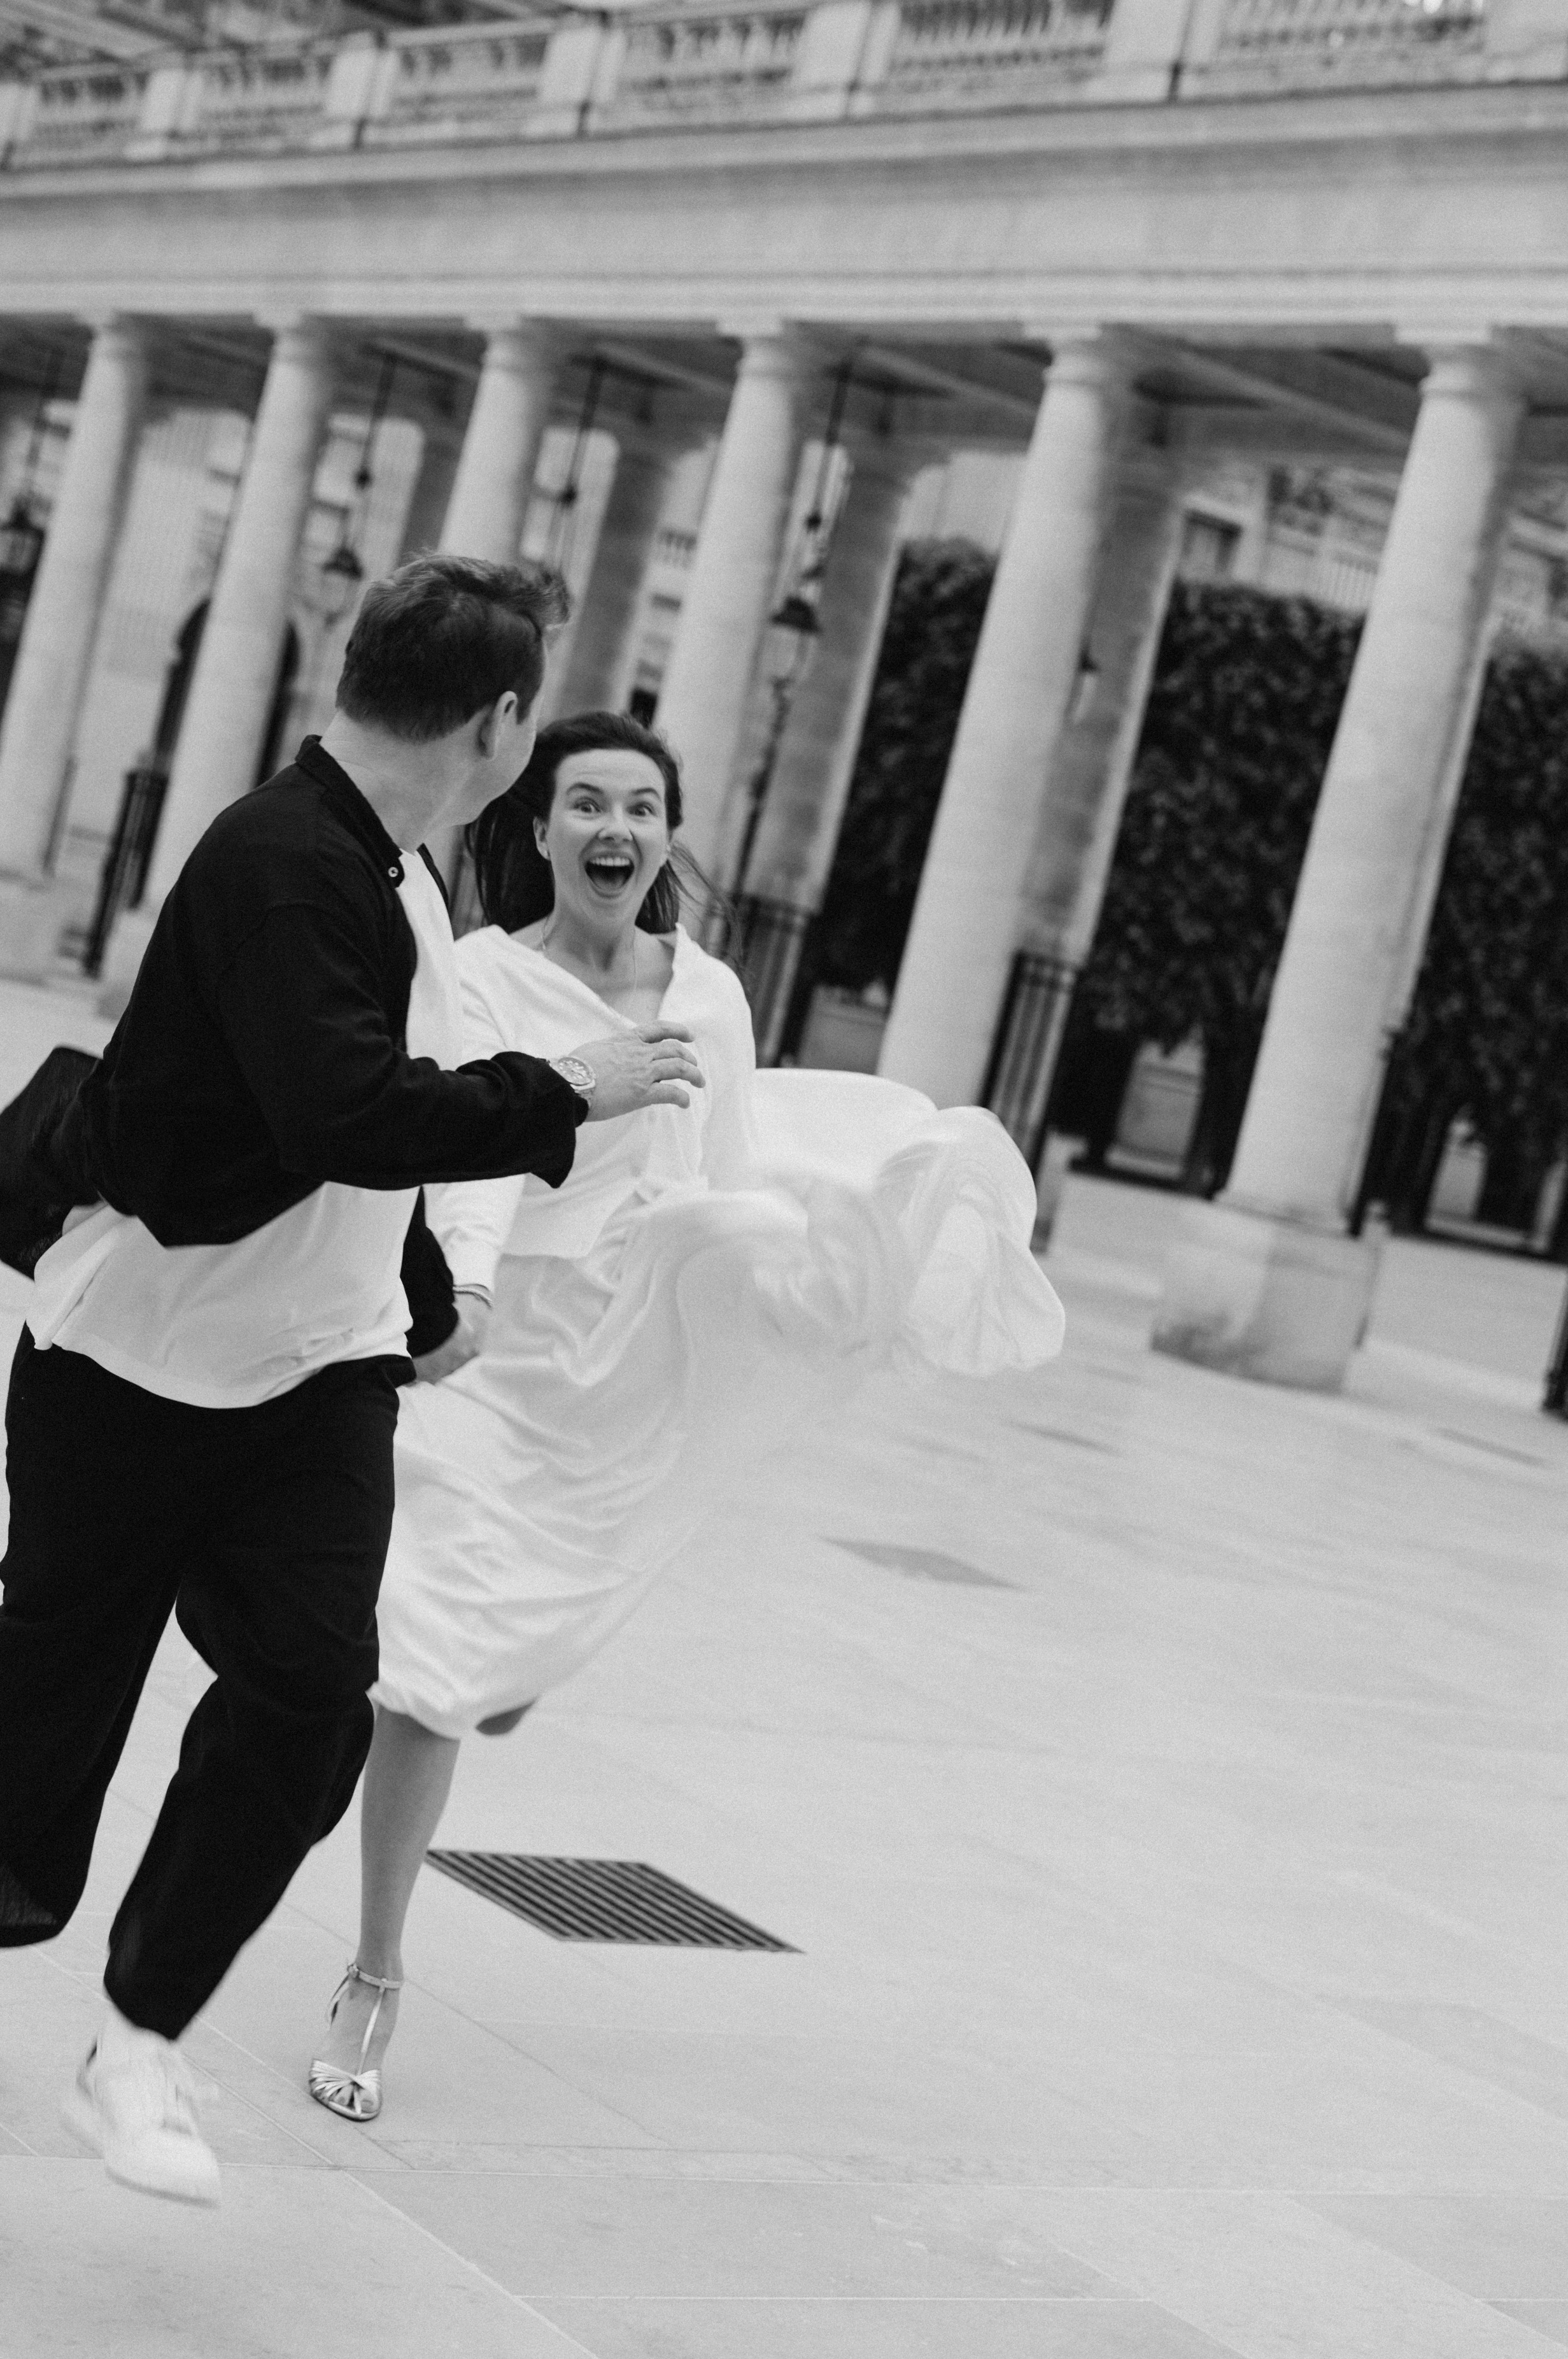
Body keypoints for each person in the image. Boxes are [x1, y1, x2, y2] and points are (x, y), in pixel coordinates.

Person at [0, 562, 703, 2206]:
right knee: (51, 1677)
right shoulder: (283, 862)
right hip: (134, 1360)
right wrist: (567, 1086)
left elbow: (378, 1133)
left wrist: (426, 1290)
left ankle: (139, 2033)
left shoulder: (401, 863)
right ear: (501, 724)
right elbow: (344, 1107)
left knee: (307, 1700)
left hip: (316, 1380)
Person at [307, 711, 1064, 2123]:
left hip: (633, 1347)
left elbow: (726, 1174)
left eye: (642, 806)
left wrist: (818, 1274)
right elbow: (460, 1158)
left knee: (496, 1660)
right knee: (429, 1667)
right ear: (535, 828)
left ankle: (514, 1657)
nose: (614, 828)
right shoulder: (477, 975)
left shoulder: (707, 992)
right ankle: (376, 1962)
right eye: (584, 801)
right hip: (501, 1342)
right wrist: (457, 1292)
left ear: (666, 835)